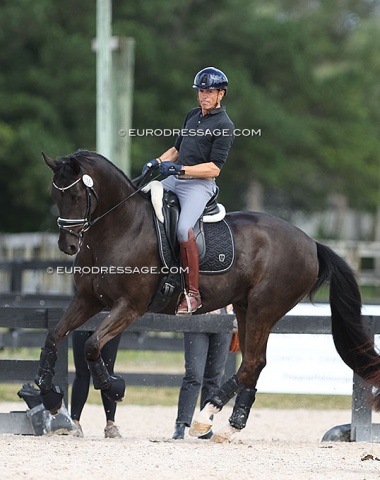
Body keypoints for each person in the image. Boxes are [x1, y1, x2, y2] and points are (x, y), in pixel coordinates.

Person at [142, 67, 235, 315]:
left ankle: (193, 294)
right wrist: (158, 162)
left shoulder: (224, 125)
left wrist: (181, 170)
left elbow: (214, 169)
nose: (204, 95)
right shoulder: (192, 115)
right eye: (201, 91)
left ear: (221, 94)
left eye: (209, 91)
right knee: (142, 199)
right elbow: (176, 149)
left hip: (198, 186)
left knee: (184, 228)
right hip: (176, 178)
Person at [172, 305, 234, 440]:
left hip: (223, 317)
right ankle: (181, 423)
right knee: (194, 374)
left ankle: (204, 426)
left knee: (214, 376)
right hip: (198, 315)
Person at [70, 330, 123, 438]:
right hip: (83, 317)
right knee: (82, 372)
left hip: (108, 318)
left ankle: (110, 423)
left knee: (107, 372)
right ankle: (75, 422)